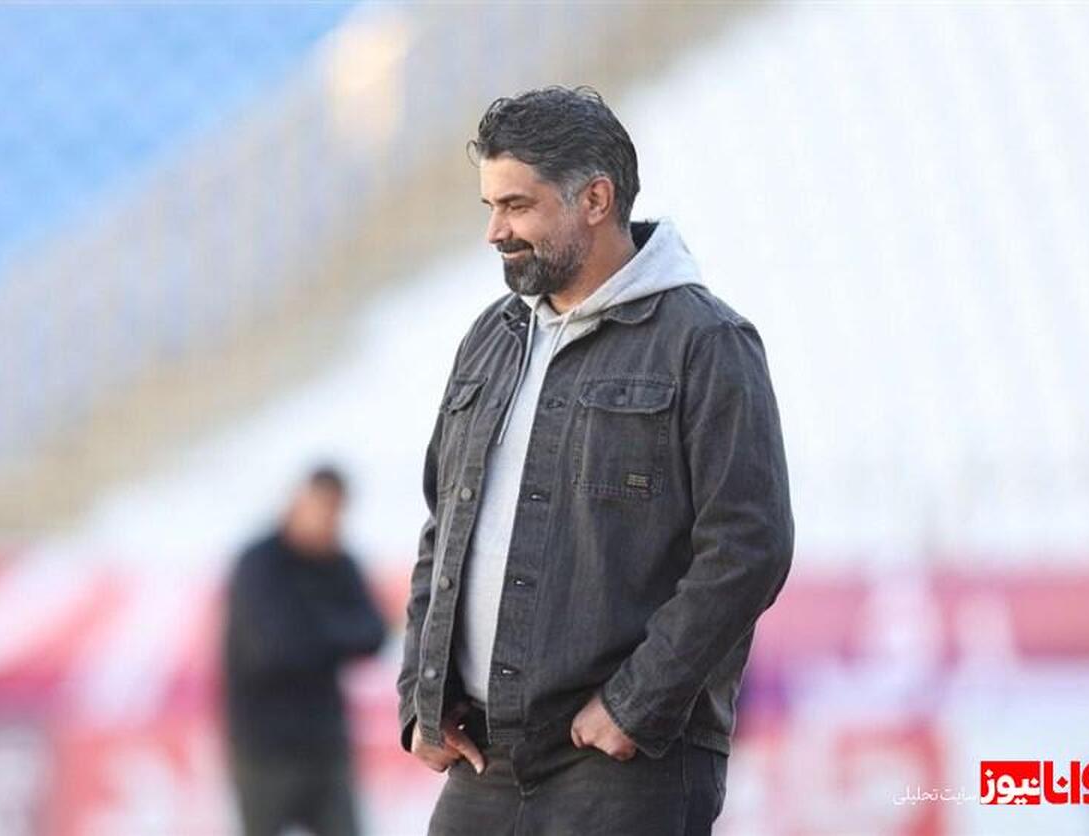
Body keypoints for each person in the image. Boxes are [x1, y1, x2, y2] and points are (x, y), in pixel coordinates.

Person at [396, 85, 795, 834]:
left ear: (595, 199)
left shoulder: (706, 344)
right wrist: (422, 697)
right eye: (490, 206)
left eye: (516, 205)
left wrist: (633, 706)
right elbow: (440, 530)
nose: (494, 231)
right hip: (483, 760)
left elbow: (749, 547)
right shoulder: (490, 338)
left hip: (621, 765)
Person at [224, 464, 387, 836]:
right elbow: (275, 647)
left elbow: (374, 633)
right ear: (299, 502)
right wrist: (332, 632)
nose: (328, 520)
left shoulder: (339, 563)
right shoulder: (259, 563)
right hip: (264, 747)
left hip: (324, 742)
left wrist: (312, 629)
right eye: (322, 508)